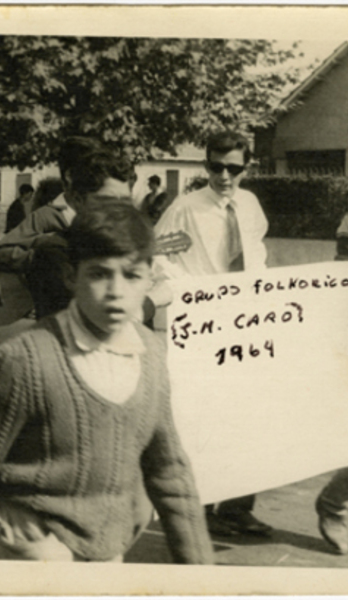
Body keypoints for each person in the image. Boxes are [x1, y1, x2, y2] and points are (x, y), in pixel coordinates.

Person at [0, 202, 214, 563]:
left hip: (108, 553)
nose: (115, 291)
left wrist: (202, 571)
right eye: (99, 274)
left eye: (132, 275)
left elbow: (170, 475)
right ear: (71, 276)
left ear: (150, 277)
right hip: (31, 554)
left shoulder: (150, 356)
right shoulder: (26, 360)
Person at [154, 130, 271, 537]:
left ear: (246, 167)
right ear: (206, 165)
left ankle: (238, 507)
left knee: (248, 417)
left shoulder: (251, 206)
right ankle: (199, 508)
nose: (224, 176)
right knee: (202, 418)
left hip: (245, 324)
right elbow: (159, 258)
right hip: (204, 325)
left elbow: (257, 257)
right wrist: (193, 290)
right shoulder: (185, 208)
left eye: (234, 168)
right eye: (216, 167)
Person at [0, 137, 166, 321]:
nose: (119, 212)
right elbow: (96, 320)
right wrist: (152, 300)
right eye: (108, 202)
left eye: (125, 202)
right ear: (78, 199)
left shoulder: (110, 247)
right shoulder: (56, 251)